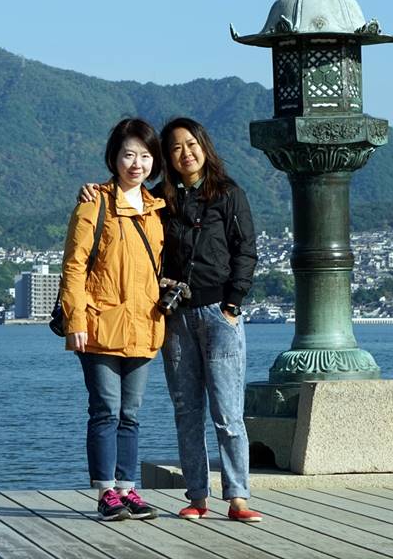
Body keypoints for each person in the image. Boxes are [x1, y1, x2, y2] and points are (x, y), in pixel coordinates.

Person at [79, 117, 261, 522]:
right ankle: (197, 496)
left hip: (219, 314)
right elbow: (121, 204)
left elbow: (246, 250)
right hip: (174, 317)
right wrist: (90, 191)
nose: (185, 153)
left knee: (228, 413)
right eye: (176, 148)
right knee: (186, 411)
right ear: (168, 157)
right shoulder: (160, 199)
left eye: (191, 144)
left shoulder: (229, 194)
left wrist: (232, 305)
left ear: (204, 147)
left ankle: (238, 497)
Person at [60, 118, 166, 521]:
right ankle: (106, 492)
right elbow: (73, 267)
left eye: (145, 156)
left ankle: (127, 489)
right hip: (99, 325)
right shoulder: (94, 203)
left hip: (144, 325)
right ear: (114, 158)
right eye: (128, 155)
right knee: (105, 409)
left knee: (131, 414)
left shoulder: (157, 209)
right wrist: (75, 321)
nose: (136, 164)